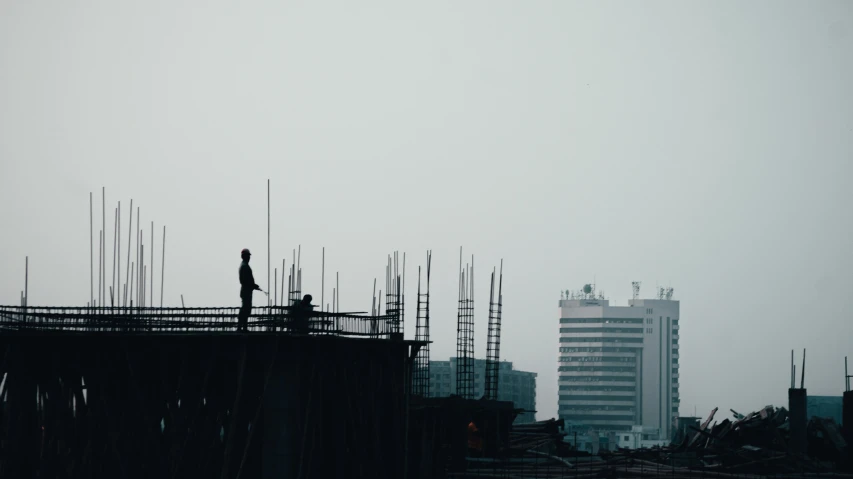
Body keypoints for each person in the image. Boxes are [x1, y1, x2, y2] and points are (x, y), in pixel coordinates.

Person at [238, 248, 261, 331]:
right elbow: (244, 281)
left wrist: (253, 285)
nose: (249, 257)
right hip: (246, 291)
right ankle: (242, 327)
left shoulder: (244, 265)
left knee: (246, 309)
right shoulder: (244, 266)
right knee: (245, 309)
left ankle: (243, 327)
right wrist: (253, 285)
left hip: (246, 290)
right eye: (247, 256)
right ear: (244, 256)